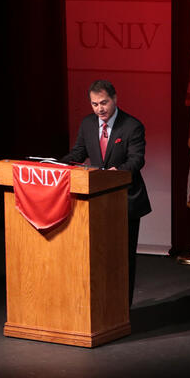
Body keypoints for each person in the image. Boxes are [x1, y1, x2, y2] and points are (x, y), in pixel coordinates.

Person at [60, 80, 152, 306]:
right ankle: (104, 307)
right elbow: (79, 153)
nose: (99, 109)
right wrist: (56, 166)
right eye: (94, 104)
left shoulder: (132, 126)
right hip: (97, 201)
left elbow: (136, 160)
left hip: (125, 201)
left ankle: (123, 309)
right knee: (100, 256)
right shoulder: (88, 124)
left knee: (123, 257)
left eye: (104, 103)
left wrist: (115, 173)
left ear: (115, 99)